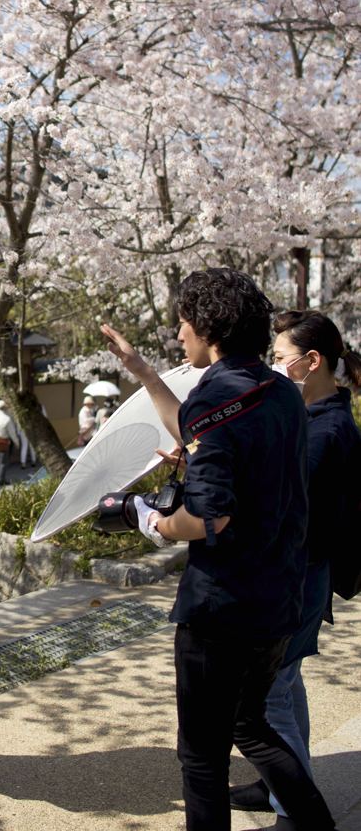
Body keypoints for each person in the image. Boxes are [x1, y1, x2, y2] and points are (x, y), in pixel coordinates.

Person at [101, 268, 337, 831]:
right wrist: (141, 371)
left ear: (208, 328)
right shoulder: (278, 388)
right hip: (278, 595)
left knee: (201, 758)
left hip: (223, 606)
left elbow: (207, 516)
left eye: (184, 324)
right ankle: (318, 823)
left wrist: (147, 518)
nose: (179, 334)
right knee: (251, 725)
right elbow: (201, 434)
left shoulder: (216, 398)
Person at [231, 310, 361, 824]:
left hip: (295, 579)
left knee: (267, 699)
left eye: (280, 359)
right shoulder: (319, 419)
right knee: (286, 685)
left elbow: (279, 508)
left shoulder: (324, 434)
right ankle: (279, 784)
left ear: (312, 362)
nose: (273, 368)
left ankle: (291, 803)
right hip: (305, 576)